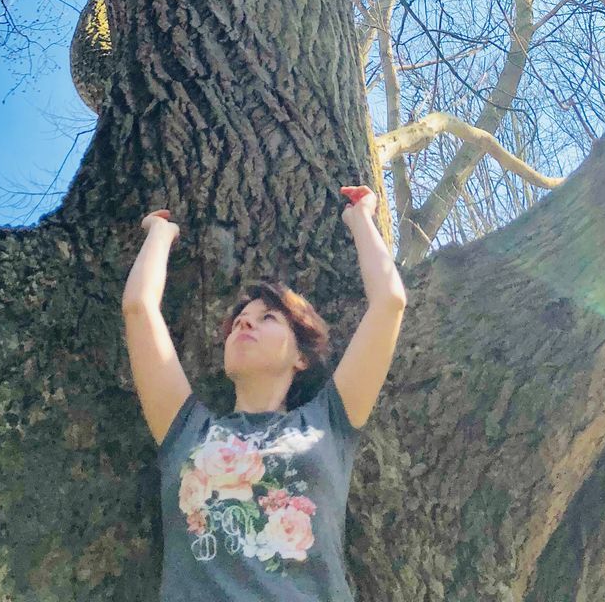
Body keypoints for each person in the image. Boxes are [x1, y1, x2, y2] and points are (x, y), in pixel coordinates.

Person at [121, 183, 408, 600]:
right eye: (239, 319)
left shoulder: (330, 420)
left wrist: (360, 218)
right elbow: (139, 309)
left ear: (301, 357)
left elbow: (389, 303)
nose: (244, 324)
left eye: (267, 317)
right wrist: (159, 235)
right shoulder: (185, 430)